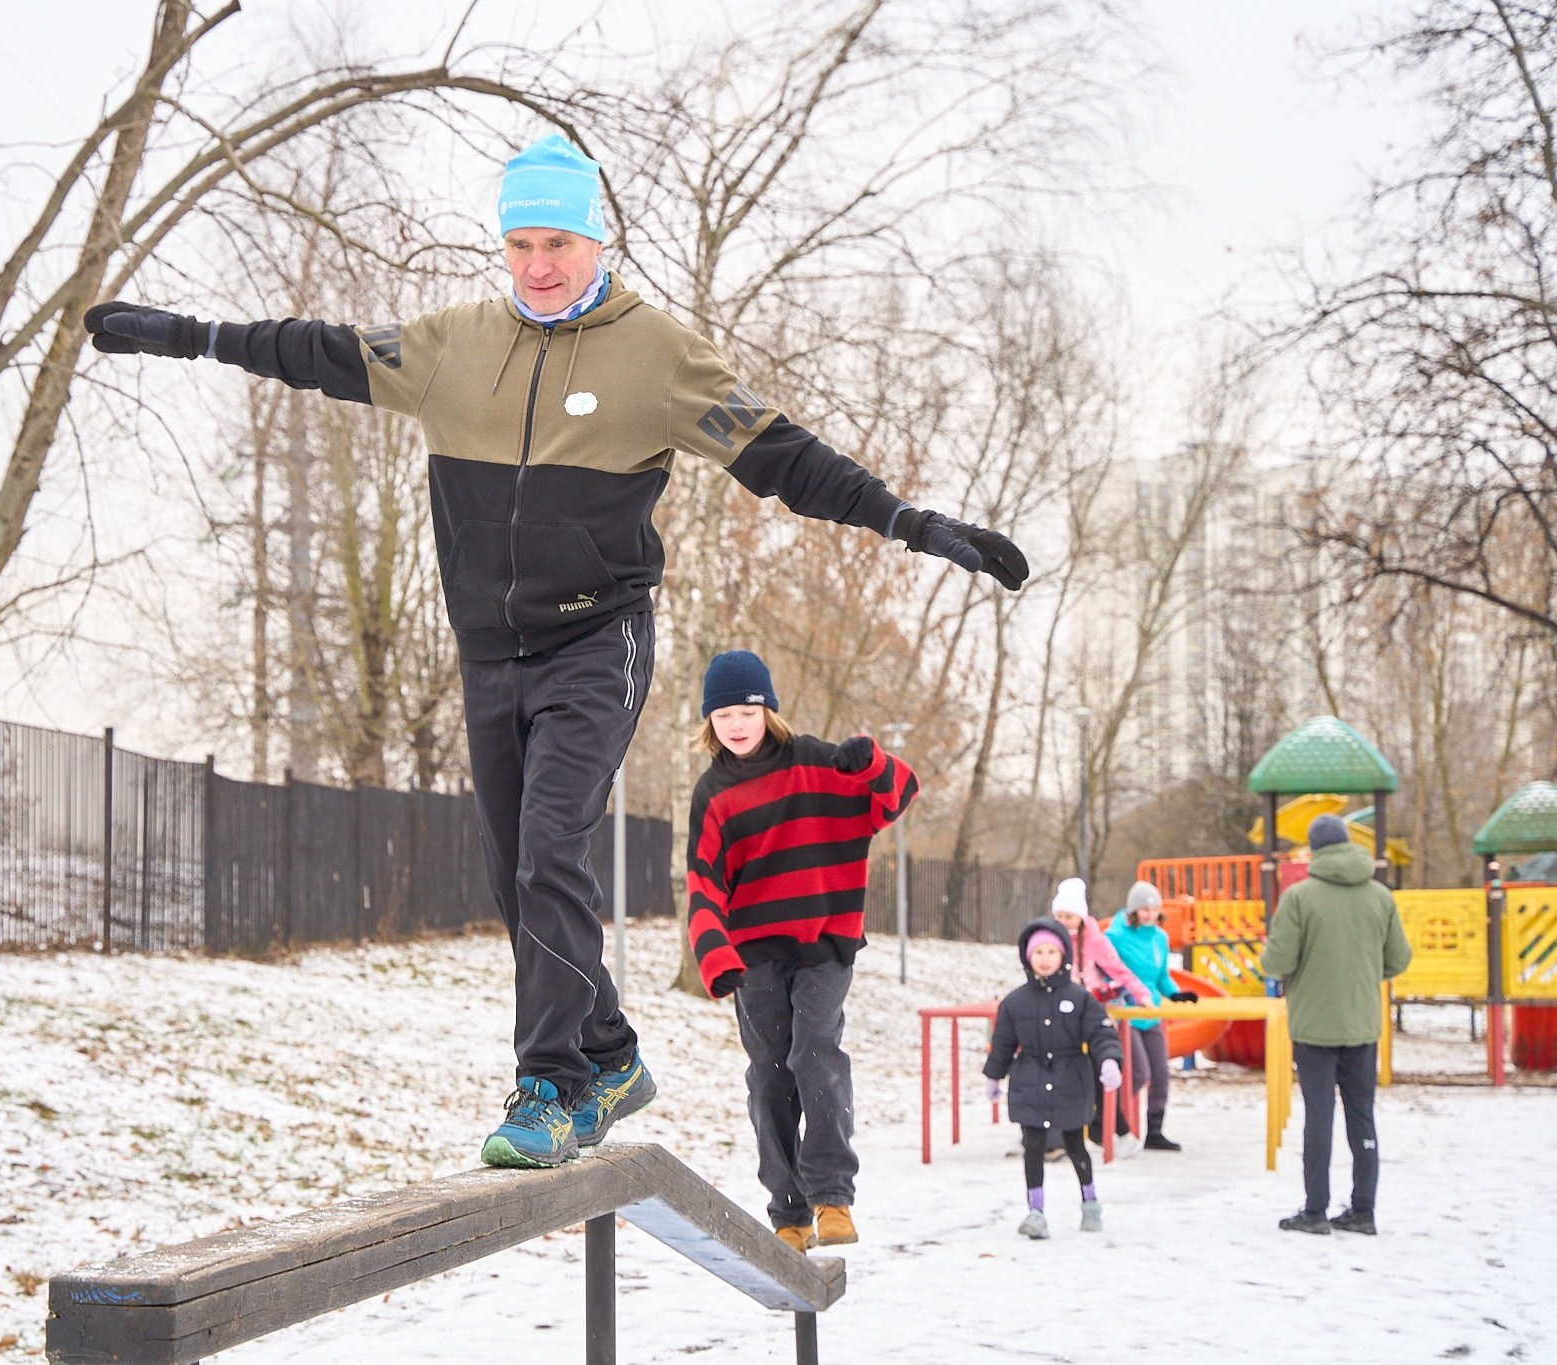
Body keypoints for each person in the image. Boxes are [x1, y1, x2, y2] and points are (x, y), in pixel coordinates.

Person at [84, 135, 1028, 1169]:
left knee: (547, 850)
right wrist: (185, 336)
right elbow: (315, 351)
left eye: (559, 243)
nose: (539, 265)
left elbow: (782, 457)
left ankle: (550, 1083)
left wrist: (909, 523)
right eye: (521, 243)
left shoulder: (655, 356)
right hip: (488, 652)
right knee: (515, 878)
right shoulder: (450, 347)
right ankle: (610, 1052)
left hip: (595, 640)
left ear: (596, 241)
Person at [683, 651, 917, 1253]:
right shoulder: (713, 793)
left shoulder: (815, 763)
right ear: (710, 722)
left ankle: (832, 1195)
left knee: (815, 1050)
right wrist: (715, 956)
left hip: (824, 944)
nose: (736, 725)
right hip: (755, 953)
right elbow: (704, 882)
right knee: (770, 1075)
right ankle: (788, 1212)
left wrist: (872, 762)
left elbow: (896, 796)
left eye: (747, 712)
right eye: (724, 715)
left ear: (769, 712)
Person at [1260, 814, 1412, 1235]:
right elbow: (1399, 959)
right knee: (1362, 1116)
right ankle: (1363, 1210)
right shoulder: (1380, 896)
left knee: (1319, 1117)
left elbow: (1278, 961)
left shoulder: (1298, 897)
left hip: (1314, 1028)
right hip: (1362, 1024)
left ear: (1314, 850)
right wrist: (1364, 973)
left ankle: (1315, 1211)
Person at [983, 917, 1124, 1239]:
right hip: (1029, 1080)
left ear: (1063, 956)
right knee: (1033, 1145)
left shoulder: (1080, 998)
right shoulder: (1015, 1002)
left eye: (1051, 952)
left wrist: (1109, 1061)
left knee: (1075, 1144)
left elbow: (1101, 1034)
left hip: (1070, 1079)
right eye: (1038, 952)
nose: (1045, 959)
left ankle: (1090, 1203)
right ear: (1027, 956)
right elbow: (1002, 1043)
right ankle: (1036, 1212)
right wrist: (993, 1076)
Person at [1047, 877, 1151, 1142]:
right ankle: (1052, 1132)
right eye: (1059, 916)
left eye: (1069, 916)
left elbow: (1120, 972)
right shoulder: (1051, 941)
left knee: (1106, 1070)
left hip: (1090, 1015)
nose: (1063, 922)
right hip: (1058, 1017)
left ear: (1081, 917)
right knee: (1060, 1074)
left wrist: (1141, 994)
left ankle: (1103, 1125)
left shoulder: (1095, 941)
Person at [1105, 879, 1199, 1152]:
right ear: (1133, 910)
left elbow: (1161, 977)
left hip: (1152, 1013)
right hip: (1127, 1014)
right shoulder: (1115, 937)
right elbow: (1111, 974)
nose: (1149, 915)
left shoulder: (1160, 937)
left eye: (1154, 909)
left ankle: (1155, 1132)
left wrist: (1176, 994)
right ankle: (1112, 1122)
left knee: (1160, 1074)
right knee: (1137, 1073)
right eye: (1144, 909)